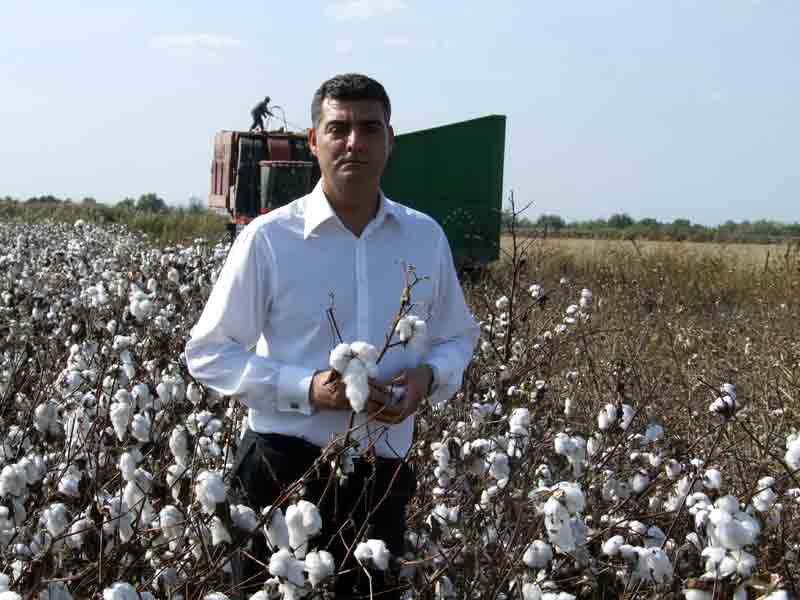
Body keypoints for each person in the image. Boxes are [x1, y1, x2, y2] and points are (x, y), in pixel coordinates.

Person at [186, 73, 478, 598]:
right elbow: (209, 354)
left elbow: (458, 337)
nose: (354, 142)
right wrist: (306, 388)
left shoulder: (424, 237)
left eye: (369, 128)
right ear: (313, 141)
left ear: (390, 140)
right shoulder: (268, 239)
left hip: (381, 479)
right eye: (338, 128)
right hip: (281, 470)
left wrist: (427, 379)